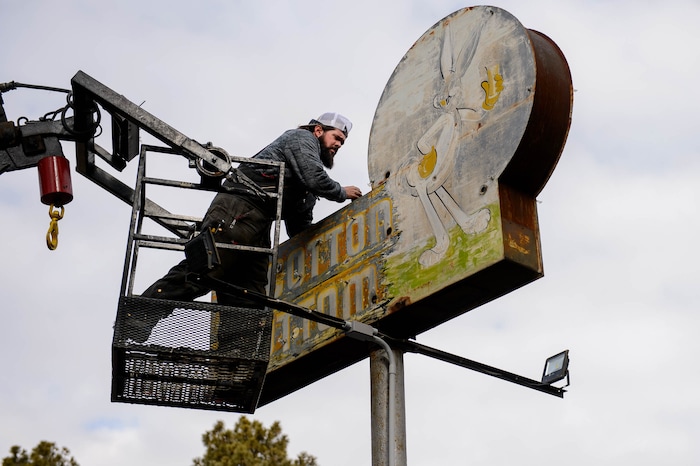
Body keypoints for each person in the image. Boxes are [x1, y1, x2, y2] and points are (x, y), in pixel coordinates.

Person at [131, 113, 362, 343]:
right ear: (318, 131)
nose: (338, 144)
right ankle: (138, 316)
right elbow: (314, 177)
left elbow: (299, 224)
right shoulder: (302, 139)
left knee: (248, 300)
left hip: (258, 229)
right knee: (203, 272)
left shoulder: (306, 181)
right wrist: (342, 192)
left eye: (342, 142)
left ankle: (233, 362)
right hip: (239, 210)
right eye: (337, 137)